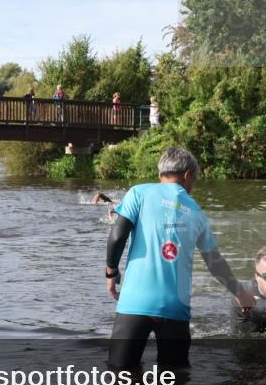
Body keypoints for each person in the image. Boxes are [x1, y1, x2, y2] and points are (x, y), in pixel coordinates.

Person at [105, 147, 255, 368]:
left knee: (120, 376)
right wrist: (240, 292)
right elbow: (215, 263)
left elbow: (117, 236)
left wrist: (111, 271)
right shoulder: (196, 213)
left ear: (160, 175)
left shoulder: (138, 193)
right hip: (176, 309)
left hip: (135, 303)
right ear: (187, 176)